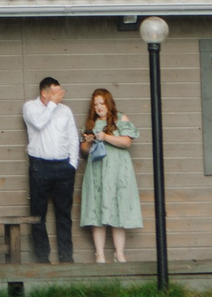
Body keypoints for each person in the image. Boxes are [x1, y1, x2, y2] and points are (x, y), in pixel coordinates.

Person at [79, 89, 142, 264]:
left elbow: (126, 142)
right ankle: (99, 255)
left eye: (102, 103)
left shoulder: (120, 118)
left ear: (109, 103)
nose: (99, 107)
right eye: (96, 104)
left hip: (118, 170)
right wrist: (88, 141)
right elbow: (84, 151)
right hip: (97, 170)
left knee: (117, 207)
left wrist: (105, 137)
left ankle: (119, 253)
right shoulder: (90, 124)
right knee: (97, 209)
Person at [20, 76, 78, 264]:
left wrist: (73, 164)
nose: (60, 95)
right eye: (55, 92)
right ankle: (43, 259)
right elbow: (38, 123)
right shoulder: (30, 107)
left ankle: (66, 258)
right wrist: (52, 105)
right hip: (40, 166)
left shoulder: (66, 111)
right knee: (38, 214)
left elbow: (72, 137)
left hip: (64, 167)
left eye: (61, 91)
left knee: (64, 215)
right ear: (44, 93)